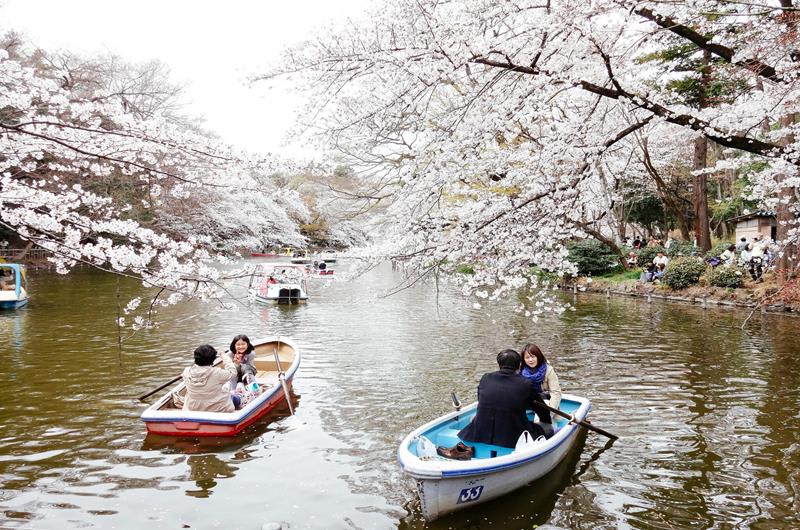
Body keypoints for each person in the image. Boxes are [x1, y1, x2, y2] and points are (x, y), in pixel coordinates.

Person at [437, 350, 550, 460]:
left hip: (480, 432)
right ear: (519, 365)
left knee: (474, 418)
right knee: (547, 428)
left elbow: (482, 402)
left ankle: (467, 450)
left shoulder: (486, 378)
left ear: (499, 364)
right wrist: (546, 421)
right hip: (512, 436)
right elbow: (542, 410)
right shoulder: (526, 383)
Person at [182, 344, 240, 412]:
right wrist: (223, 355)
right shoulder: (217, 373)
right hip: (217, 409)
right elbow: (233, 372)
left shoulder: (186, 371)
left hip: (193, 408)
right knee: (236, 398)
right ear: (213, 359)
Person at [519, 343, 562, 426]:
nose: (530, 360)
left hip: (544, 402)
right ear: (523, 359)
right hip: (527, 402)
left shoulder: (548, 370)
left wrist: (549, 413)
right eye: (527, 357)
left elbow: (556, 393)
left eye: (533, 356)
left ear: (538, 357)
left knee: (542, 419)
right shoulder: (519, 371)